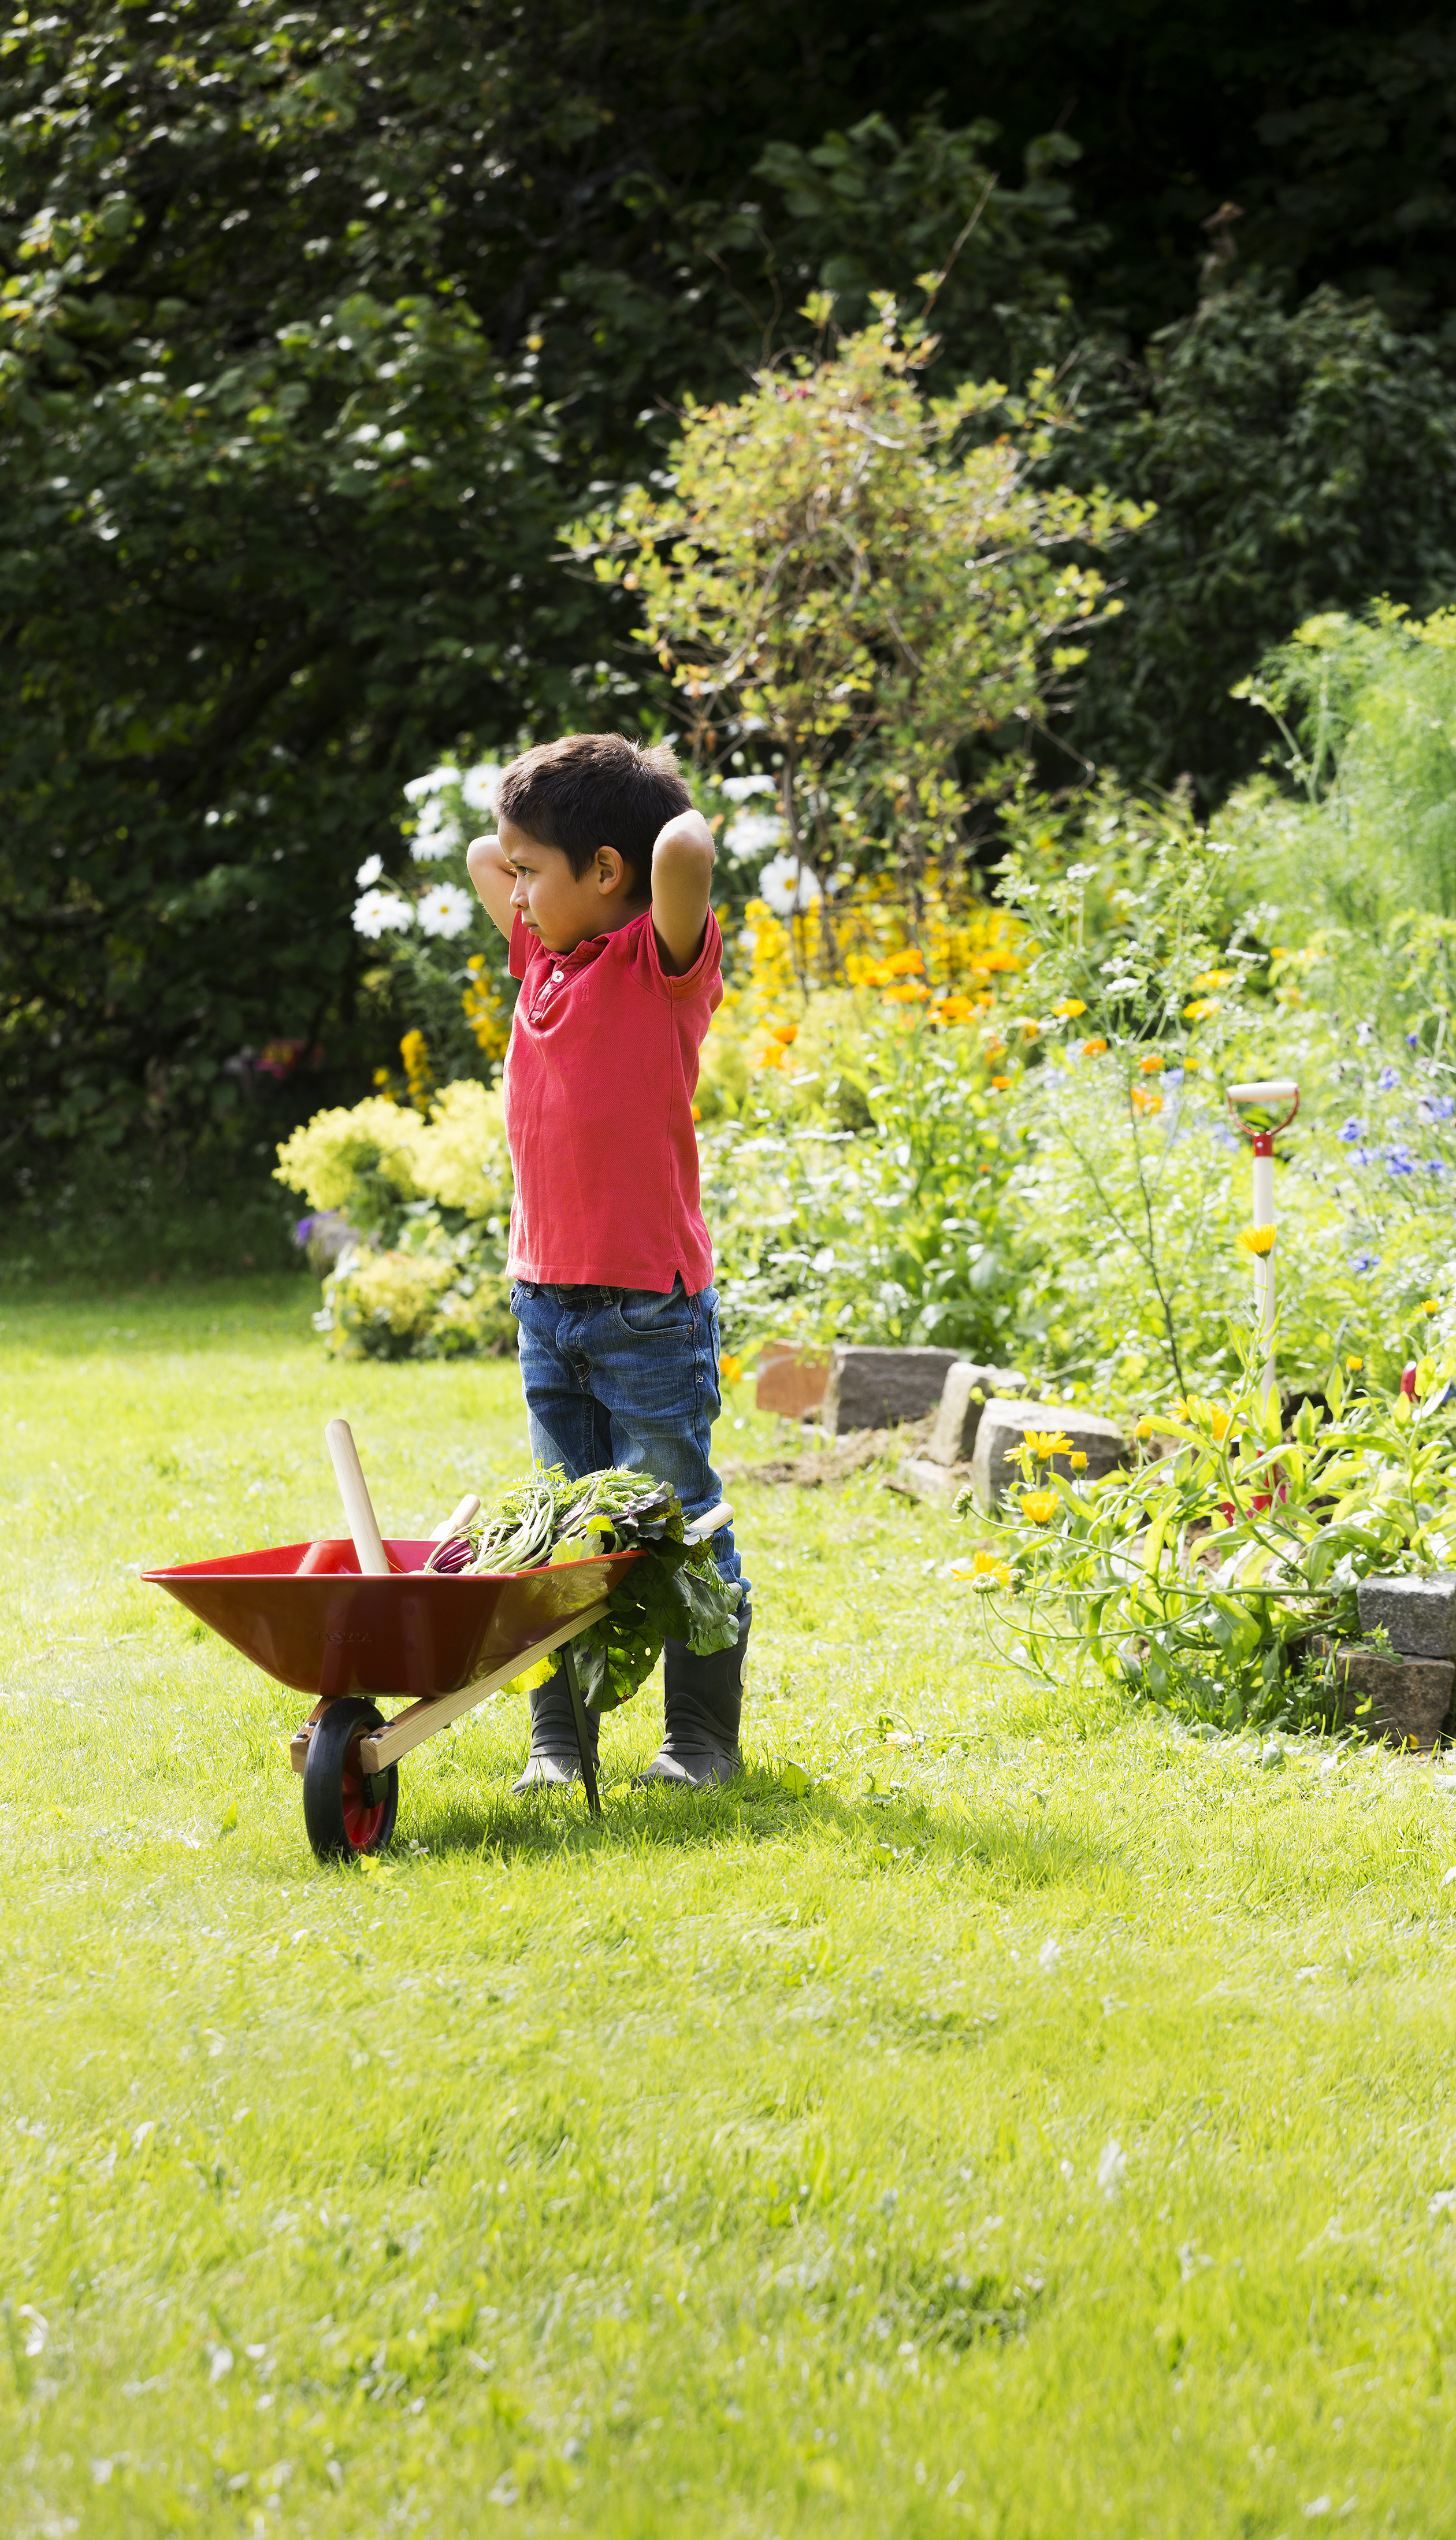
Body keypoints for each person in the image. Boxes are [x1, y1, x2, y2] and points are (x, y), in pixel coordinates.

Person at [465, 732, 751, 1791]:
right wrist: (542, 852)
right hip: (547, 1299)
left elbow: (681, 845)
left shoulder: (657, 968)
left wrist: (639, 798)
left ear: (605, 874)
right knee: (557, 1527)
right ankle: (560, 1741)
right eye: (521, 874)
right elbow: (481, 861)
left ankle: (699, 1742)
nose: (517, 893)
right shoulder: (541, 957)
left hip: (647, 1309)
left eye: (539, 872)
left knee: (676, 1519)